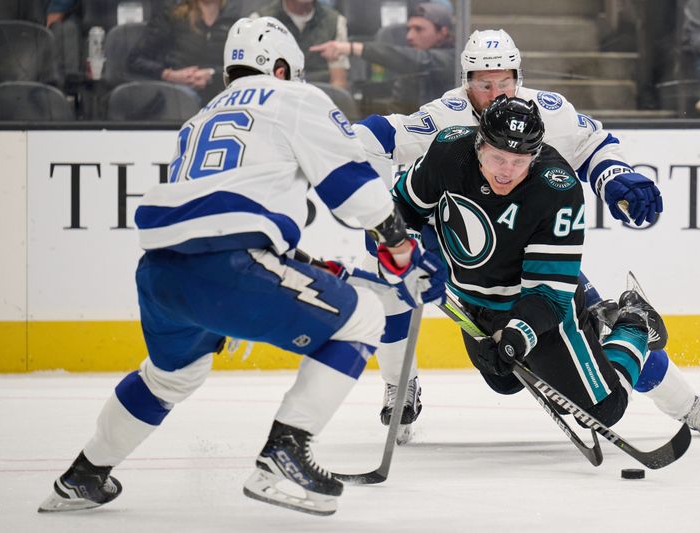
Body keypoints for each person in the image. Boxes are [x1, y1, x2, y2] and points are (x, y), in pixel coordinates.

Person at [38, 16, 445, 517]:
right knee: (362, 316)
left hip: (161, 273)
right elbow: (353, 187)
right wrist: (403, 249)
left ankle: (83, 475)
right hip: (227, 267)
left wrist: (306, 264)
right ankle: (285, 453)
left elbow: (218, 211)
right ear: (279, 68)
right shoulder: (293, 97)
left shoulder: (200, 118)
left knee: (170, 378)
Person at [352, 29, 700, 441]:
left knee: (592, 323)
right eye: (484, 84)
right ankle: (400, 382)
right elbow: (376, 140)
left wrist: (615, 176)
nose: (496, 93)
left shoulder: (546, 112)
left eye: (505, 81)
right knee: (389, 277)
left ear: (519, 76)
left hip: (532, 257)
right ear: (467, 82)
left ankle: (687, 404)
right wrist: (376, 210)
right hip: (465, 255)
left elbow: (593, 144)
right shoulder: (445, 119)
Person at [391, 95, 666, 430]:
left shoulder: (557, 189)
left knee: (602, 412)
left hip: (540, 307)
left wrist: (517, 337)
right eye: (497, 158)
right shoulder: (449, 150)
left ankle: (634, 321)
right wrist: (401, 248)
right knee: (503, 382)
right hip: (476, 302)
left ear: (534, 157)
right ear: (479, 145)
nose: (506, 171)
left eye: (519, 161)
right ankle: (583, 336)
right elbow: (404, 206)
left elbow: (549, 295)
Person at [310, 2, 455, 113]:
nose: (409, 36)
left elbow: (418, 60)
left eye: (419, 29)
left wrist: (352, 48)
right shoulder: (409, 68)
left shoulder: (454, 57)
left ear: (442, 32)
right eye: (408, 29)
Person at [128, 0, 243, 103]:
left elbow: (243, 66)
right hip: (177, 94)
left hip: (221, 92)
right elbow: (135, 59)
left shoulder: (237, 20)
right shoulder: (172, 14)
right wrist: (170, 75)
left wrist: (212, 74)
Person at [255, 0, 350, 88]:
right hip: (275, 96)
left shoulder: (335, 21)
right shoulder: (258, 22)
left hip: (320, 96)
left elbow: (338, 82)